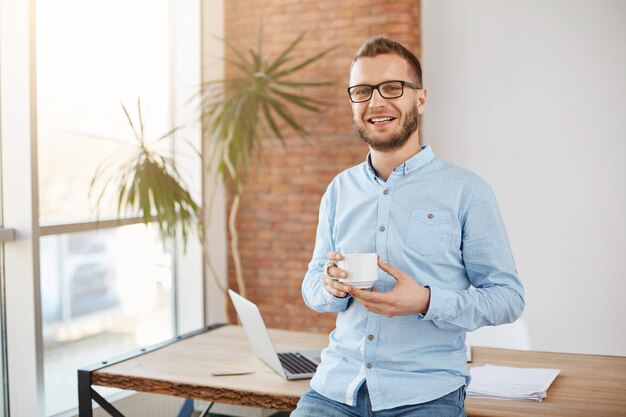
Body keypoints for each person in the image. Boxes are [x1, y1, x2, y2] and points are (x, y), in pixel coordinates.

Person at [294, 36, 525, 417]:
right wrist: (329, 285)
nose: (376, 102)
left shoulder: (467, 191)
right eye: (362, 91)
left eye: (392, 88)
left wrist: (426, 300)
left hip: (425, 395)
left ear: (419, 99)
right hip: (335, 388)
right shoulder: (339, 190)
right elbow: (312, 285)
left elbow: (507, 298)